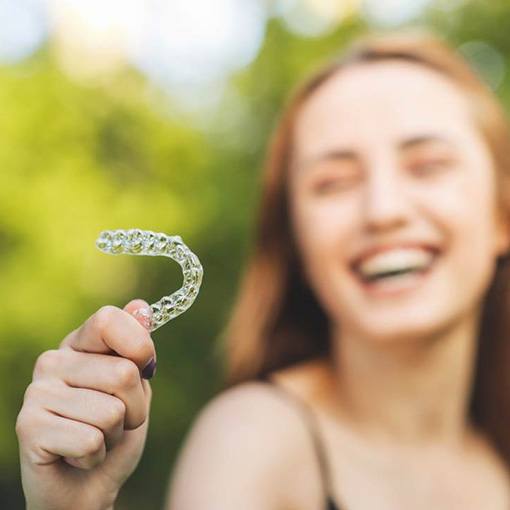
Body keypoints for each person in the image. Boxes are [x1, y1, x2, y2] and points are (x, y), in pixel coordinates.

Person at [15, 27, 510, 510]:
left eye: (427, 166)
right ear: (296, 237)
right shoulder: (253, 444)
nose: (383, 210)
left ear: (501, 214)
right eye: (333, 181)